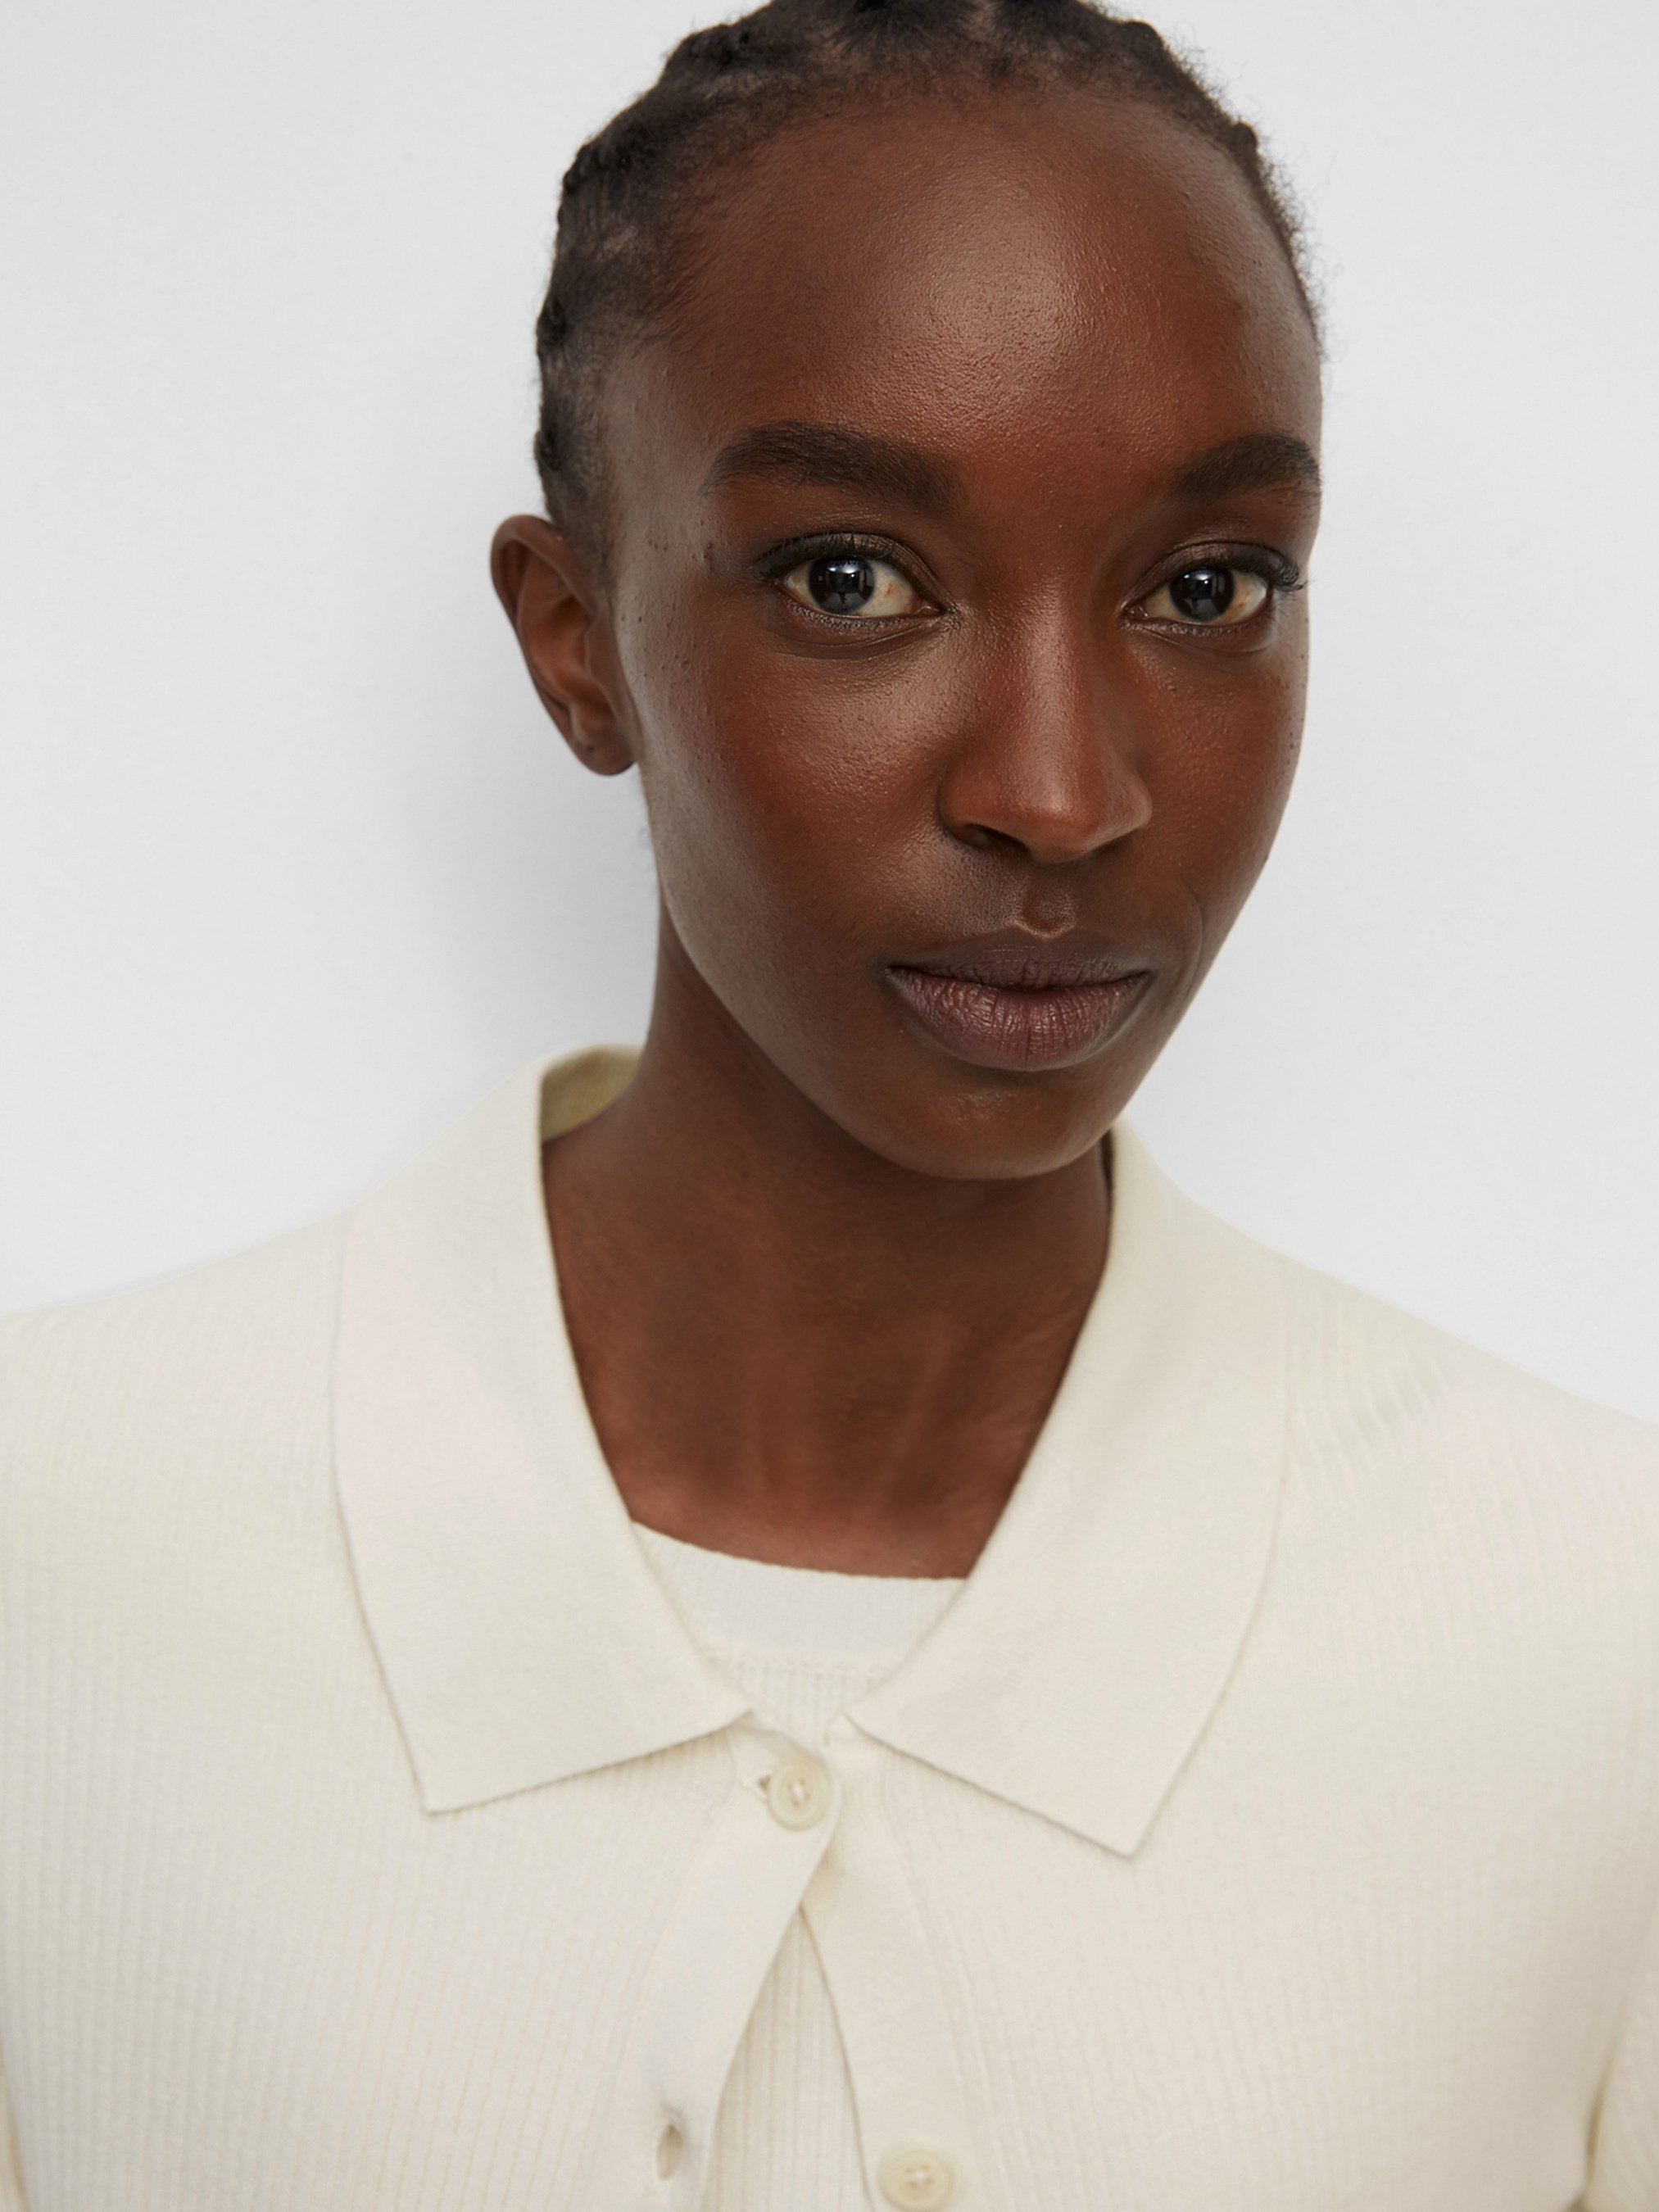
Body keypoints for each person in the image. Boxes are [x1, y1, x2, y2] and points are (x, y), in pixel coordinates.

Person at [2, 1, 1655, 2205]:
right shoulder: (47, 1567)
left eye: (1207, 587)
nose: (1058, 791)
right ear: (574, 637)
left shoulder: (1603, 1644)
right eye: (850, 579)